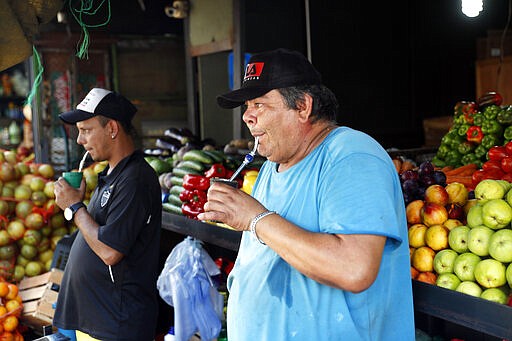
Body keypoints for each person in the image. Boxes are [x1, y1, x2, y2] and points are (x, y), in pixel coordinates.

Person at [197, 48, 415, 340]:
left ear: (303, 106)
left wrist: (256, 218)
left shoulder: (352, 155)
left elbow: (354, 269)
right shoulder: (268, 170)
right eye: (247, 105)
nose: (247, 116)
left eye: (260, 104)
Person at [53, 88, 162, 341]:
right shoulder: (115, 175)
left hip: (115, 325)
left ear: (112, 128)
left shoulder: (135, 179)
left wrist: (75, 208)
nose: (80, 140)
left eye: (86, 130)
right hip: (97, 322)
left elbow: (110, 251)